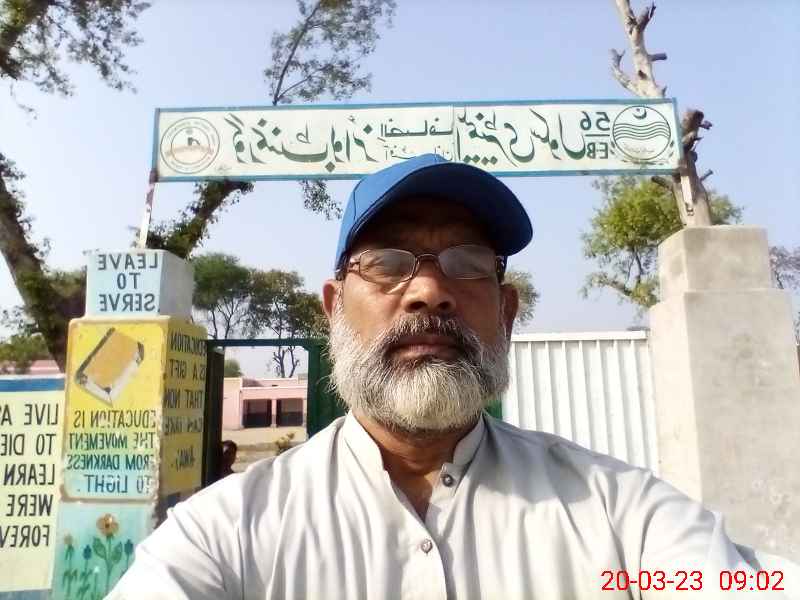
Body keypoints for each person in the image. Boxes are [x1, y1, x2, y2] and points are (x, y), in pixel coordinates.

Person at [109, 154, 796, 599]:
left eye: (467, 265)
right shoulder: (227, 533)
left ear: (506, 313)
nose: (430, 292)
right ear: (333, 308)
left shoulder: (622, 517)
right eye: (387, 264)